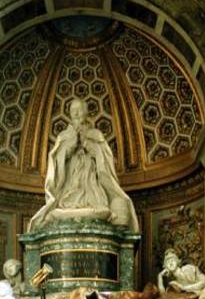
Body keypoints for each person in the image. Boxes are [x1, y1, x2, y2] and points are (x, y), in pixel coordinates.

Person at [28, 98, 139, 232]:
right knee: (63, 204)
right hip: (69, 182)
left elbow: (105, 161)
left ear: (86, 113)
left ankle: (91, 202)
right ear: (69, 114)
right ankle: (70, 205)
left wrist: (88, 144)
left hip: (91, 181)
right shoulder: (64, 136)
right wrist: (69, 148)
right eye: (73, 111)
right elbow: (55, 163)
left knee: (97, 201)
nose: (76, 114)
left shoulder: (96, 134)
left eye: (80, 110)